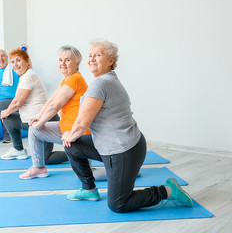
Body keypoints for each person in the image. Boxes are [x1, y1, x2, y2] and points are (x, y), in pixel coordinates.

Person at [61, 39, 193, 212]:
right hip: (114, 145)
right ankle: (89, 190)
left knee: (118, 204)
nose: (92, 58)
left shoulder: (101, 83)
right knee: (73, 146)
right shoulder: (107, 80)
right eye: (90, 55)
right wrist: (70, 137)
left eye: (98, 55)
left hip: (123, 150)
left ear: (111, 61)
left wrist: (68, 134)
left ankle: (168, 191)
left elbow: (83, 122)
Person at [19, 45, 91, 180]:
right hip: (65, 128)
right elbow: (51, 100)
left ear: (77, 63)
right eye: (60, 60)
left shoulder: (75, 79)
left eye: (67, 60)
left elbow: (55, 106)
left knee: (85, 176)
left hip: (75, 134)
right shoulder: (68, 79)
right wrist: (38, 118)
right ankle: (39, 168)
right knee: (34, 130)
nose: (62, 63)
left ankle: (120, 173)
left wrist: (40, 123)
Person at [0, 48, 61, 160]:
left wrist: (5, 112)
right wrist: (6, 113)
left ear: (27, 61)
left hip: (44, 122)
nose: (15, 64)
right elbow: (16, 100)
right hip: (30, 121)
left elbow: (18, 102)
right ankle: (19, 150)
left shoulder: (29, 75)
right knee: (9, 119)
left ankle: (79, 155)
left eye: (18, 60)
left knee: (45, 159)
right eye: (12, 62)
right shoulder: (25, 75)